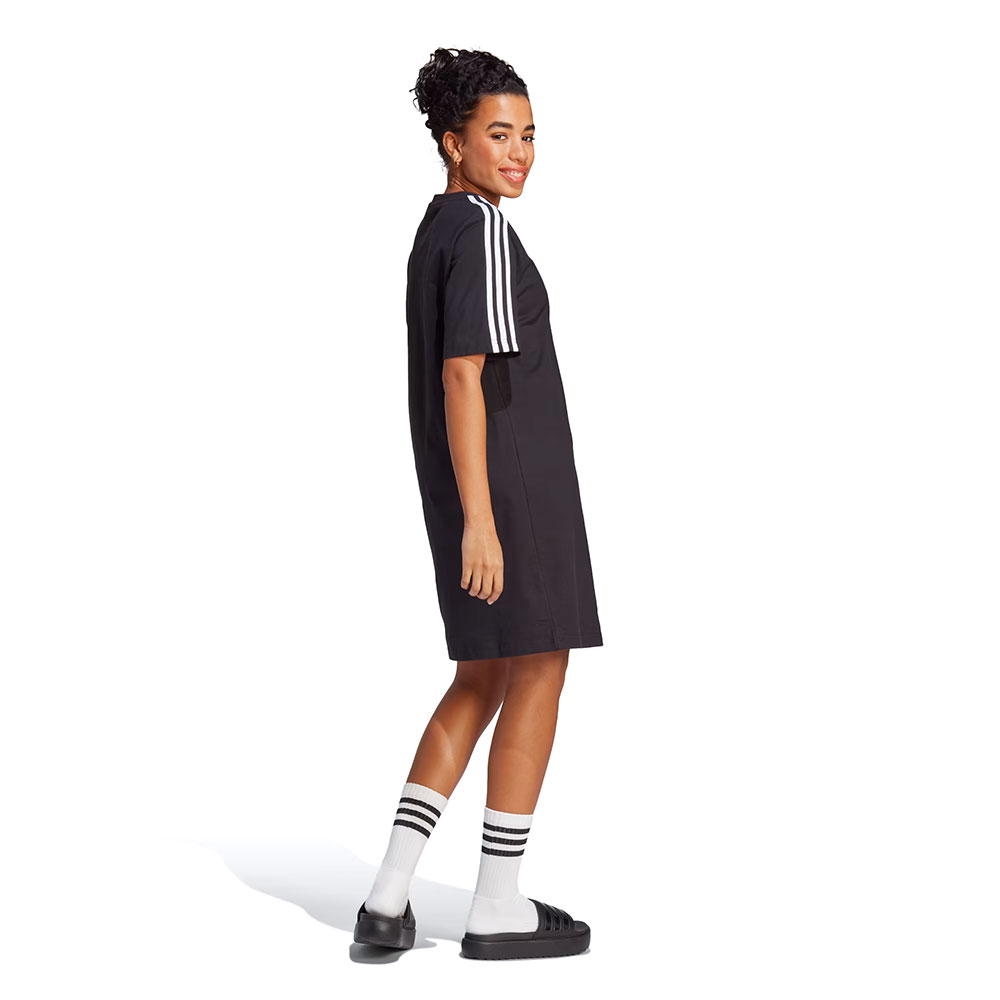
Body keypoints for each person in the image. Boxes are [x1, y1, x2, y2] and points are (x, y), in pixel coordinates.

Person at [354, 47, 602, 961]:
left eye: (530, 135)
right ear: (453, 143)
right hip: (512, 492)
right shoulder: (483, 231)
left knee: (482, 678)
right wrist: (485, 522)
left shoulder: (437, 230)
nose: (520, 153)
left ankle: (388, 898)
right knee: (539, 670)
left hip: (476, 493)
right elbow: (464, 375)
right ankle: (498, 902)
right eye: (499, 135)